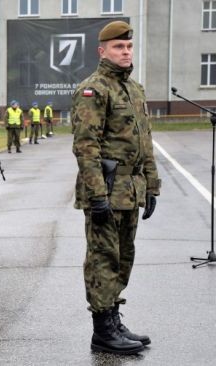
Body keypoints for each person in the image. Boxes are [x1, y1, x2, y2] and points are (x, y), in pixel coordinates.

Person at [72, 20, 160, 355]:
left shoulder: (133, 90)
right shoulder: (94, 90)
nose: (126, 52)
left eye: (129, 47)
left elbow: (146, 143)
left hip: (131, 189)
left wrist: (152, 186)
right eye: (118, 47)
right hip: (106, 190)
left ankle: (113, 317)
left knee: (123, 258)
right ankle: (102, 330)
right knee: (102, 259)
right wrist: (97, 196)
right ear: (102, 50)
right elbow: (86, 147)